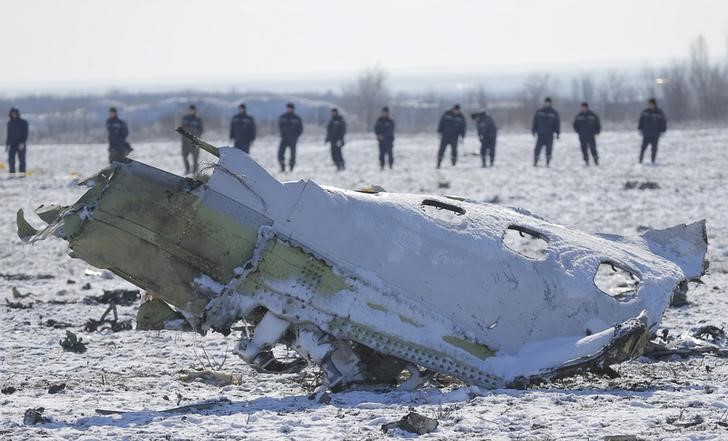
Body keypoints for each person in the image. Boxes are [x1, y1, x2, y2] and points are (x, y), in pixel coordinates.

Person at [532, 97, 560, 167]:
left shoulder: (554, 113)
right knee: (537, 149)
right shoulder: (539, 112)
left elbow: (557, 124)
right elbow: (535, 122)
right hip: (540, 134)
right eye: (546, 102)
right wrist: (533, 130)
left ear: (550, 103)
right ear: (544, 103)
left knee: (549, 149)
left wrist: (558, 133)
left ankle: (548, 162)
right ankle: (535, 161)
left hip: (549, 134)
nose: (547, 104)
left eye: (548, 103)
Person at [638, 98, 667, 164]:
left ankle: (653, 161)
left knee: (654, 149)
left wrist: (663, 130)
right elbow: (641, 121)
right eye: (649, 104)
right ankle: (640, 161)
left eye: (651, 104)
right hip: (646, 134)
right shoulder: (645, 112)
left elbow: (663, 122)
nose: (650, 105)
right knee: (643, 148)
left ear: (654, 104)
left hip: (655, 134)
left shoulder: (659, 112)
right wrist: (640, 129)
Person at [278, 103, 303, 172]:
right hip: (284, 138)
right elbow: (280, 126)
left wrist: (295, 136)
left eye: (290, 108)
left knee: (293, 155)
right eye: (288, 108)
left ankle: (291, 168)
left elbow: (300, 129)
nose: (289, 109)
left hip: (293, 139)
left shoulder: (296, 118)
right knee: (280, 153)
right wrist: (282, 134)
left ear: (292, 109)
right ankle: (282, 167)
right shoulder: (283, 117)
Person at [180, 105, 204, 174]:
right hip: (185, 142)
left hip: (195, 142)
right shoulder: (185, 118)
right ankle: (187, 169)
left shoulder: (198, 119)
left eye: (192, 110)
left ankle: (195, 172)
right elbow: (181, 129)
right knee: (184, 157)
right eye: (189, 110)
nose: (190, 111)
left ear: (194, 111)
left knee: (195, 158)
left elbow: (201, 131)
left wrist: (194, 133)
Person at [5, 108, 29, 174]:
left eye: (14, 113)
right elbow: (8, 134)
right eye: (12, 113)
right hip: (12, 144)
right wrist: (7, 144)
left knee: (22, 159)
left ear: (17, 114)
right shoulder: (9, 123)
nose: (13, 115)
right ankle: (12, 173)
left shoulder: (23, 122)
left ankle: (22, 173)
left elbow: (26, 133)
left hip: (21, 144)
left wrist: (23, 142)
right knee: (11, 159)